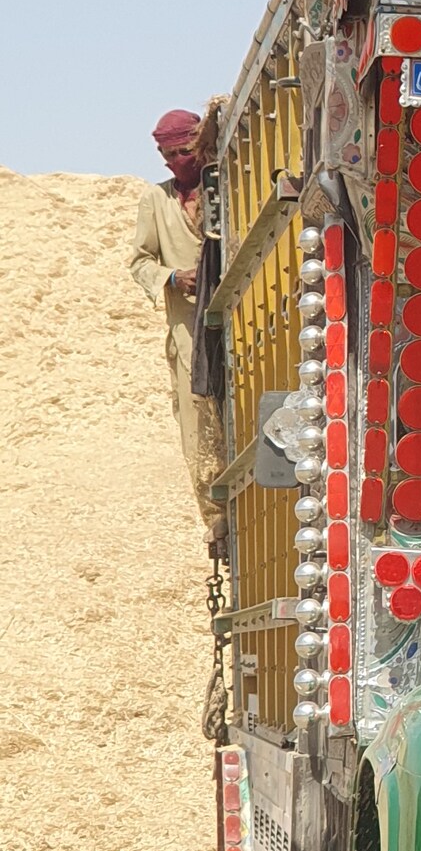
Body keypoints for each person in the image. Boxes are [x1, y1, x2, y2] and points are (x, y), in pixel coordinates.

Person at [129, 108, 226, 551]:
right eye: (166, 156)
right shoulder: (156, 200)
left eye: (183, 152)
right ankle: (218, 518)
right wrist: (172, 277)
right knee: (197, 425)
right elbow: (140, 261)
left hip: (234, 320)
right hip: (187, 330)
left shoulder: (226, 186)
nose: (174, 163)